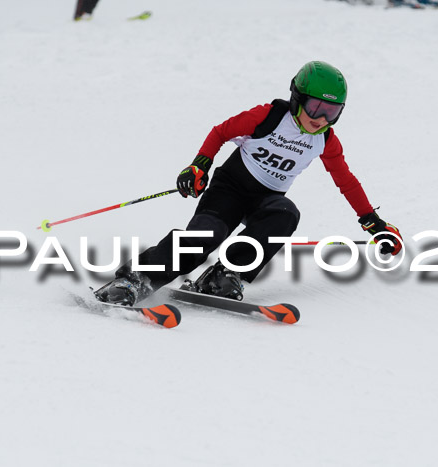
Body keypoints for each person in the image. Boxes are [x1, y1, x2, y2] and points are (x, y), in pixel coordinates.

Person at [95, 61, 403, 306]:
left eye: (331, 112)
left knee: (285, 213)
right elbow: (220, 132)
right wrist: (200, 164)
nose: (320, 118)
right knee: (206, 236)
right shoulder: (267, 116)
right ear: (297, 97)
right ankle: (135, 279)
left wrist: (373, 222)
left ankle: (227, 273)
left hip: (265, 199)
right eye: (315, 108)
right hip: (228, 190)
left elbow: (346, 181)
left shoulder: (324, 141)